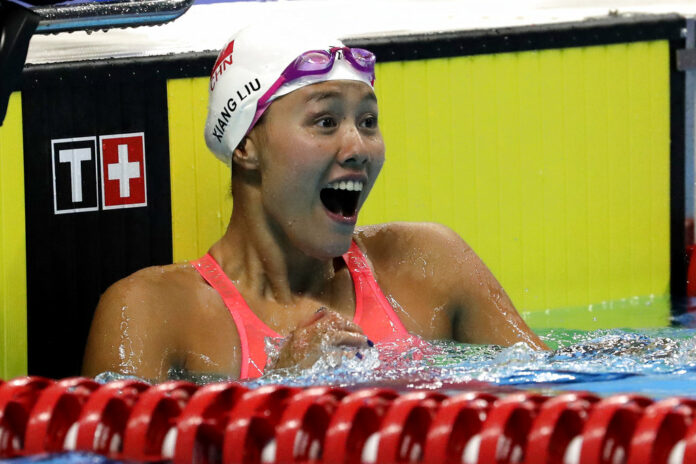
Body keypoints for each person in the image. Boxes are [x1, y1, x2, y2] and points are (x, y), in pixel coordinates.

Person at [82, 24, 547, 383]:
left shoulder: (427, 265)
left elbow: (558, 395)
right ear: (245, 144)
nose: (358, 147)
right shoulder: (152, 312)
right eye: (325, 121)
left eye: (368, 121)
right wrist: (278, 392)